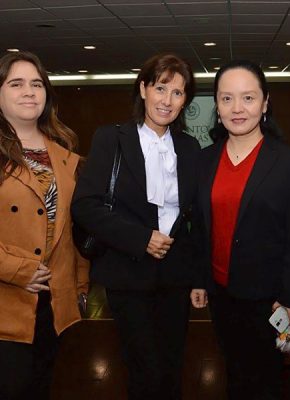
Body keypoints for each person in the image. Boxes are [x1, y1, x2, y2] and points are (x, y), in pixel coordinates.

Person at [71, 53, 200, 400]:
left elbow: (194, 217)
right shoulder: (110, 139)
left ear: (185, 100)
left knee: (173, 367)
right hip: (128, 273)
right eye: (160, 88)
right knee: (144, 369)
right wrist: (141, 238)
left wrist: (198, 279)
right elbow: (84, 206)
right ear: (143, 89)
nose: (167, 100)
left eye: (177, 93)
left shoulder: (189, 147)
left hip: (175, 277)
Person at [190, 60, 290, 400]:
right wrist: (200, 279)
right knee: (234, 371)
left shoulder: (289, 162)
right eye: (227, 99)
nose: (237, 108)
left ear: (265, 102)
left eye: (248, 98)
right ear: (216, 105)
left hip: (269, 298)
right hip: (221, 292)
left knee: (266, 379)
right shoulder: (205, 159)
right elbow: (200, 227)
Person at [0, 51, 89, 400]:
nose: (29, 92)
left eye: (36, 84)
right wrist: (18, 269)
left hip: (54, 304)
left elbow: (76, 226)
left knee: (39, 386)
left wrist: (80, 285)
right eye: (16, 83)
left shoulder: (67, 154)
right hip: (7, 300)